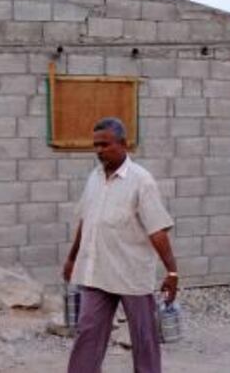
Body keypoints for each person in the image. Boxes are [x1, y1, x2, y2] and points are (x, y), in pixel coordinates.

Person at [63, 117, 177, 373]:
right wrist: (72, 258)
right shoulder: (94, 177)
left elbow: (157, 230)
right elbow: (87, 220)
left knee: (144, 338)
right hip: (97, 272)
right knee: (87, 333)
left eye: (105, 144)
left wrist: (172, 271)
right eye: (96, 145)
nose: (99, 150)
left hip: (131, 274)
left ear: (123, 144)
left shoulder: (141, 181)